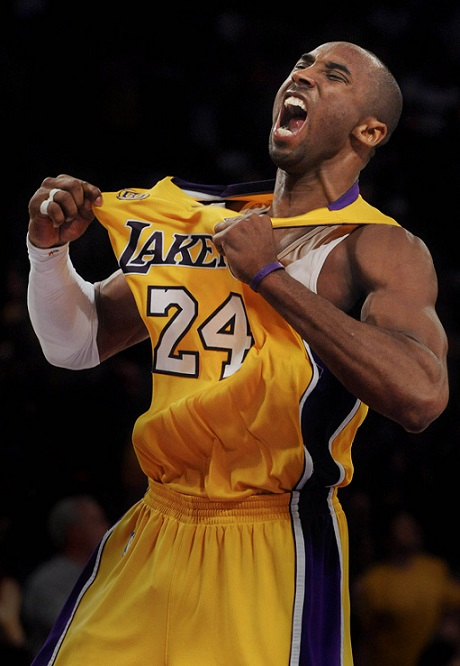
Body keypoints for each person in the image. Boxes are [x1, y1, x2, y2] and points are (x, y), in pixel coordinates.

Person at [25, 41, 449, 666]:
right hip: (156, 523)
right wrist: (48, 253)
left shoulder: (378, 246)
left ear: (369, 130)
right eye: (301, 65)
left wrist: (269, 276)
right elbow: (75, 345)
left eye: (333, 74)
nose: (303, 75)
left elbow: (421, 396)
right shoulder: (204, 224)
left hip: (274, 537)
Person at [352, 510, 460, 666]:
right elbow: (365, 637)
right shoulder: (373, 580)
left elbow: (454, 603)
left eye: (411, 526)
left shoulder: (434, 568)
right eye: (402, 527)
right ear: (388, 535)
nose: (409, 531)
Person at [21, 495, 110, 657]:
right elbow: (73, 628)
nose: (106, 527)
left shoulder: (109, 570)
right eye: (96, 521)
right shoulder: (47, 581)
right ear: (75, 532)